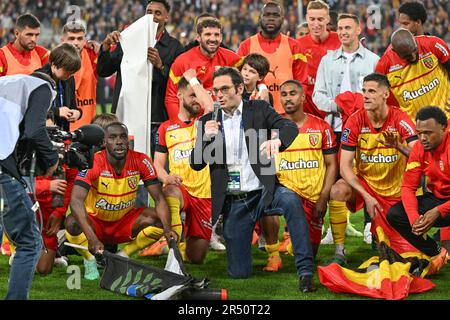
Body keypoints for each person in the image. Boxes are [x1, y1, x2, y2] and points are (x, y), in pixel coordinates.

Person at [190, 67, 298, 279]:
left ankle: (302, 270)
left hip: (263, 191)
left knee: (291, 201)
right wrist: (205, 140)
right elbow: (195, 164)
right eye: (215, 91)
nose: (219, 95)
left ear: (239, 88)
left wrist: (277, 140)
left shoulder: (258, 108)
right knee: (239, 273)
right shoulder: (208, 121)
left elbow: (289, 127)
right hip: (236, 200)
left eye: (224, 89)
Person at [65, 122, 181, 280]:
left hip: (124, 223)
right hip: (96, 223)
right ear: (104, 142)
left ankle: (123, 255)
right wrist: (92, 238)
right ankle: (89, 258)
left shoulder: (141, 161)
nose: (119, 141)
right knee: (72, 222)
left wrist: (168, 229)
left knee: (159, 219)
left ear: (128, 141)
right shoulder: (93, 162)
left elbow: (159, 199)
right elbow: (76, 201)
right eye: (112, 137)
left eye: (122, 137)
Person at [327, 73, 419, 265]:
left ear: (385, 94)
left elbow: (420, 156)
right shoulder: (355, 121)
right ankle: (339, 251)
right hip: (366, 185)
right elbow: (344, 166)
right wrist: (366, 195)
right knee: (337, 190)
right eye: (364, 91)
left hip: (395, 191)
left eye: (371, 91)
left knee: (404, 254)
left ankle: (381, 236)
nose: (366, 96)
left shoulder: (400, 119)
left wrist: (399, 146)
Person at [262, 80, 338, 291]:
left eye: (292, 93)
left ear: (303, 97)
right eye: (284, 94)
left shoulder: (321, 127)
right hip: (285, 193)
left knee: (308, 252)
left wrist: (323, 197)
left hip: (313, 199)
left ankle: (293, 242)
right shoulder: (273, 129)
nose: (287, 98)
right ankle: (273, 250)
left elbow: (332, 165)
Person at [313, 13, 380, 248]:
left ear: (359, 29)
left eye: (348, 28)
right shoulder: (327, 61)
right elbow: (317, 96)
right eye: (340, 28)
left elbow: (382, 94)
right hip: (336, 128)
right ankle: (335, 228)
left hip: (368, 131)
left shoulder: (373, 60)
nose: (343, 32)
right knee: (336, 179)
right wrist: (339, 106)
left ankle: (371, 227)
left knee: (372, 176)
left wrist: (362, 108)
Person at [142, 70, 213, 263]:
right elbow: (157, 164)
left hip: (204, 193)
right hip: (179, 187)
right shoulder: (166, 127)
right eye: (192, 95)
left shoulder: (205, 121)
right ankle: (172, 258)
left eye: (199, 95)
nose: (197, 100)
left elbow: (210, 105)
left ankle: (170, 246)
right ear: (179, 95)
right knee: (170, 193)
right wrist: (166, 178)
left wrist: (193, 80)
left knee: (196, 257)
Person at [97, 0, 184, 154]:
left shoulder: (175, 47)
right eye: (149, 12)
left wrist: (160, 66)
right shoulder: (129, 39)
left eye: (158, 13)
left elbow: (177, 85)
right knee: (126, 164)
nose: (152, 16)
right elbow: (104, 70)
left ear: (167, 18)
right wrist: (104, 48)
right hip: (127, 114)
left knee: (154, 168)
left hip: (157, 118)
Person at [0, 72, 59, 299]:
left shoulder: (9, 84)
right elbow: (34, 130)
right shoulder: (43, 87)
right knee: (30, 243)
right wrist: (51, 158)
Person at [387, 106, 450, 275]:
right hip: (438, 199)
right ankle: (438, 252)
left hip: (443, 206)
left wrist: (438, 211)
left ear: (444, 128)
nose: (422, 138)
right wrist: (415, 219)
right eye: (419, 132)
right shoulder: (419, 149)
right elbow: (408, 187)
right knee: (396, 215)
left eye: (428, 133)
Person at [237, 1, 307, 114]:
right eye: (267, 15)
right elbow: (239, 80)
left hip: (287, 114)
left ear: (282, 19)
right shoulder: (245, 46)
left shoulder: (295, 46)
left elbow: (302, 83)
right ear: (260, 18)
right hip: (254, 113)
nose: (271, 19)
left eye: (275, 15)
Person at [165, 19, 242, 120]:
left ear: (221, 37)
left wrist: (262, 86)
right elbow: (171, 97)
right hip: (193, 123)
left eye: (216, 35)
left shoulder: (232, 58)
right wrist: (180, 124)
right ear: (198, 37)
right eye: (208, 34)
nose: (213, 39)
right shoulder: (182, 61)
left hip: (224, 121)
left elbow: (253, 71)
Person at [375, 28, 450, 120]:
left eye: (414, 49)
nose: (413, 57)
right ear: (395, 51)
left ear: (414, 39)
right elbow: (382, 100)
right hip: (415, 127)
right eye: (407, 55)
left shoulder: (433, 44)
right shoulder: (384, 66)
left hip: (447, 116)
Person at [297, 0, 341, 119]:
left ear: (327, 19)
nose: (316, 24)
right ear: (306, 18)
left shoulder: (340, 41)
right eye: (312, 19)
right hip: (309, 113)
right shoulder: (298, 45)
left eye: (320, 19)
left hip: (337, 113)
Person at [61, 20, 100, 131]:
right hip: (63, 129)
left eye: (79, 38)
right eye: (71, 38)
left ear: (85, 40)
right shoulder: (53, 59)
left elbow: (112, 55)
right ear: (62, 40)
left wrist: (101, 47)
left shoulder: (92, 55)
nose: (76, 43)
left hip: (88, 128)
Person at [35, 43, 82, 131]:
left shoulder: (69, 79)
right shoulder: (37, 79)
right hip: (42, 135)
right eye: (67, 71)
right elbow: (33, 110)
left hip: (62, 134)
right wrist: (57, 112)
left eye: (72, 72)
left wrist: (77, 113)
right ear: (54, 65)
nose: (69, 75)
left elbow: (72, 105)